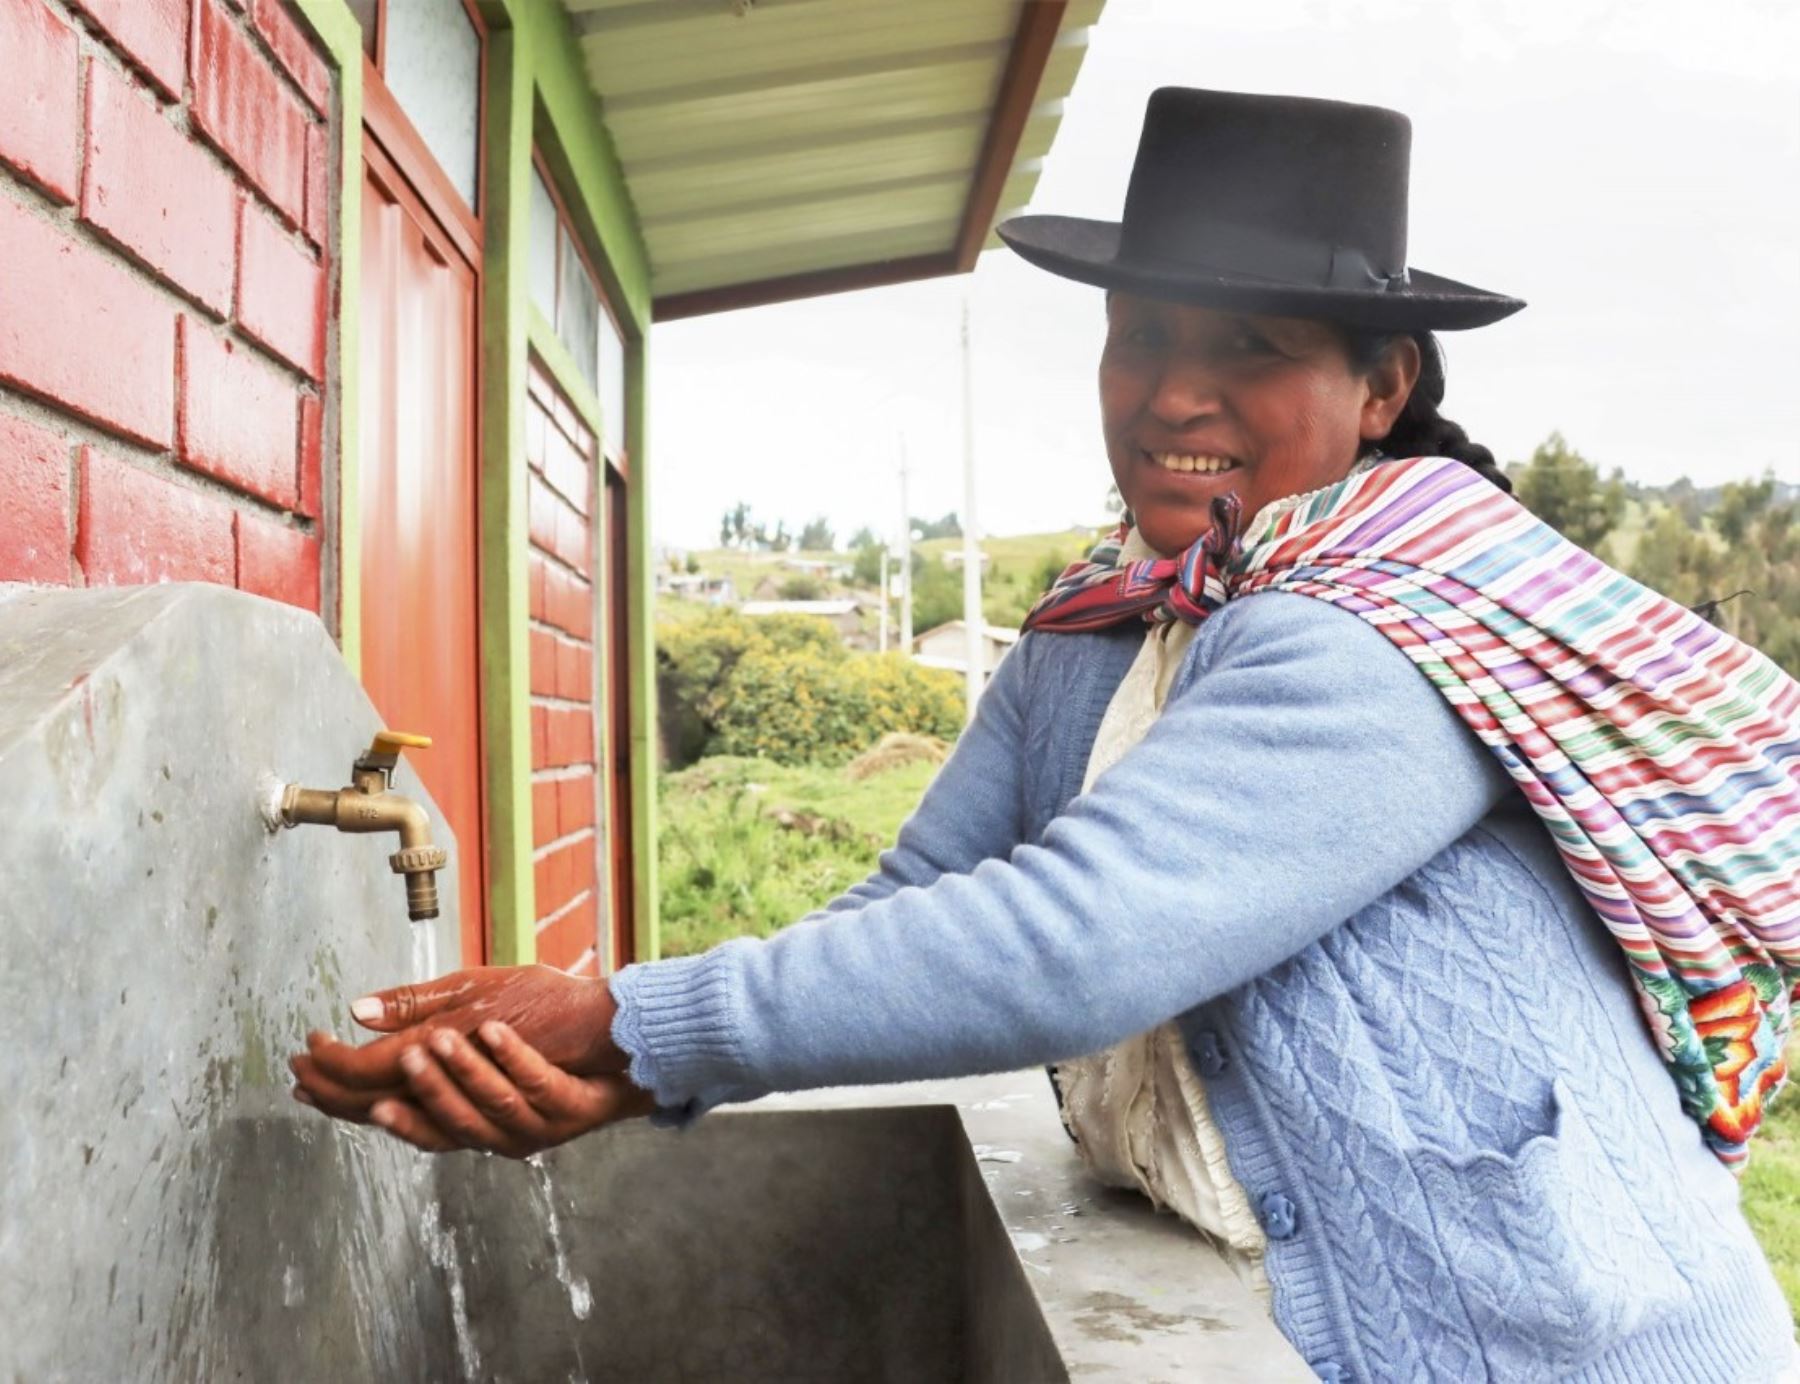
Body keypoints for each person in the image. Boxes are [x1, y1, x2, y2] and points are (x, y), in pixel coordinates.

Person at [292, 89, 1800, 1379]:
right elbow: (923, 904)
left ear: (1383, 385)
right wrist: (628, 1056)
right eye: (1138, 332)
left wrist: (638, 1024)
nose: (1171, 392)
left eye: (1252, 345)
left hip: (1569, 1337)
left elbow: (1077, 939)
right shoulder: (1102, 629)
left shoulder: (1388, 630)